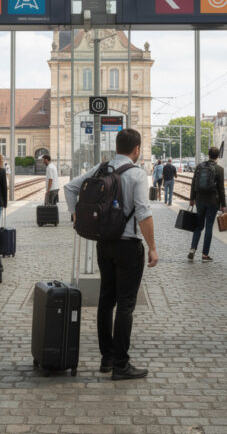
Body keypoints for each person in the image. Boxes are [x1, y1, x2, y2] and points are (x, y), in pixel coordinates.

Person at [64, 128, 158, 381]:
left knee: (106, 300)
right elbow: (143, 213)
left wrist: (76, 216)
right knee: (125, 305)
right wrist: (152, 247)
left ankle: (106, 358)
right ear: (137, 149)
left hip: (103, 243)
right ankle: (121, 365)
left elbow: (70, 188)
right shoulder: (138, 174)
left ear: (117, 146)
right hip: (128, 246)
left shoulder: (101, 168)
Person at [188, 147, 226, 261]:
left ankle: (193, 249)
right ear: (217, 156)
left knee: (198, 226)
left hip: (200, 200)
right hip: (213, 202)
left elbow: (193, 183)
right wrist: (223, 205)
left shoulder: (199, 167)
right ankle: (205, 254)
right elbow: (221, 189)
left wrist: (192, 198)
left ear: (208, 155)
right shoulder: (219, 169)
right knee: (209, 226)